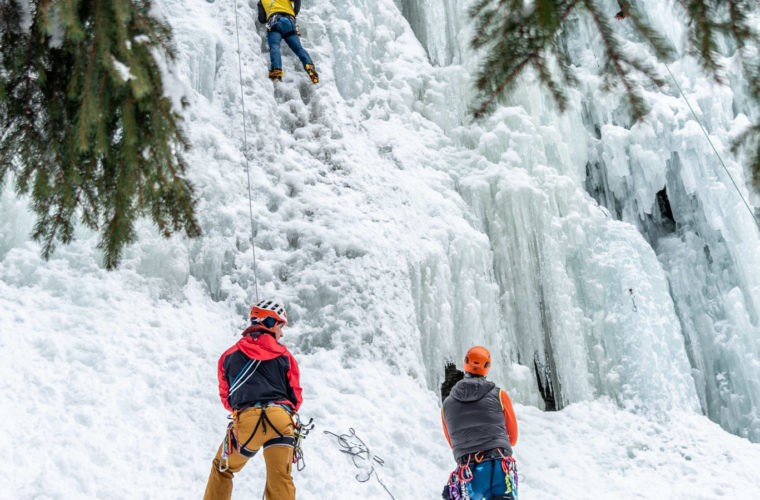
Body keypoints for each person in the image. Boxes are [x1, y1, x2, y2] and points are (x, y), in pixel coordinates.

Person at [203, 300, 302, 500]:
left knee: (222, 469)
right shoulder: (285, 356)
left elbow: (227, 400)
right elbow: (296, 397)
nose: (281, 333)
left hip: (247, 421)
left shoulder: (228, 356)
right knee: (280, 479)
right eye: (280, 326)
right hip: (280, 420)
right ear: (271, 323)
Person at [441, 346, 519, 500]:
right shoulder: (500, 395)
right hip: (499, 467)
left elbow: (453, 443)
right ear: (487, 367)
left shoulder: (447, 405)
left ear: (465, 364)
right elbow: (513, 438)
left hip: (468, 472)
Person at [257, 0, 318, 83]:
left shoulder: (262, 1)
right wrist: (294, 13)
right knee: (298, 49)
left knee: (275, 46)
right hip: (289, 21)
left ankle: (276, 70)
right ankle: (309, 66)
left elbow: (262, 19)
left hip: (275, 22)